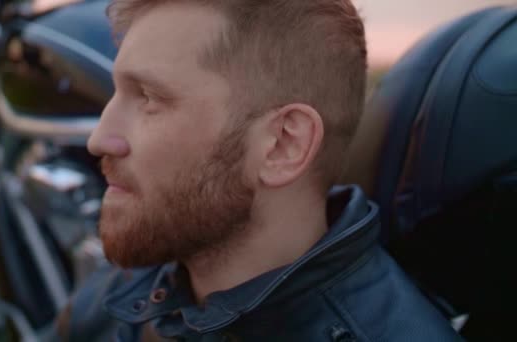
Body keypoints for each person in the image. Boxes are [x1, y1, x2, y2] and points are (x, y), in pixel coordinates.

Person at [50, 0, 463, 340]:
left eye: (149, 97)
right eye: (116, 92)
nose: (99, 139)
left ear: (283, 145)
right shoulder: (134, 286)